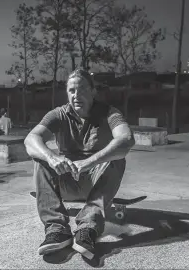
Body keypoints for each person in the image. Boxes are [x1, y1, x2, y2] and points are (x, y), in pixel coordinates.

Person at [24, 69, 134, 259]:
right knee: (40, 158)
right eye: (72, 90)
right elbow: (31, 139)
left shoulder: (109, 112)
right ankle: (57, 229)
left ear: (93, 91)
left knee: (117, 159)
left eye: (82, 90)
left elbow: (126, 139)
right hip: (67, 181)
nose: (76, 95)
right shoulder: (59, 114)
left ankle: (87, 228)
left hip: (96, 182)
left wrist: (89, 162)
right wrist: (51, 157)